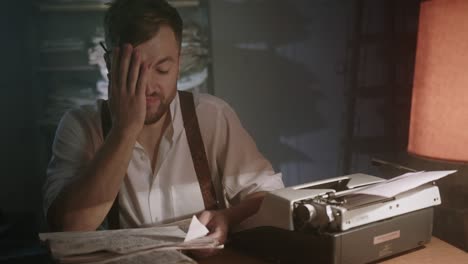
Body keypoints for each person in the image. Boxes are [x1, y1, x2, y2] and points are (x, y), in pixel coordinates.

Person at [42, 0, 283, 253]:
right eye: (134, 71)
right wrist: (125, 129)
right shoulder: (79, 126)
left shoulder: (212, 117)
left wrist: (227, 217)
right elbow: (68, 227)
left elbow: (269, 198)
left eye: (162, 69)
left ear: (178, 63)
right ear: (110, 64)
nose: (147, 87)